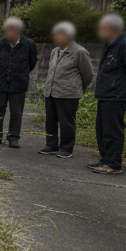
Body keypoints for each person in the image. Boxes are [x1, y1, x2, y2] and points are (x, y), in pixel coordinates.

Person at [89, 13, 126, 175]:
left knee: (113, 130)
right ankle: (105, 159)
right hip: (106, 94)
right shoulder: (110, 45)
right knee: (102, 129)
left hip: (117, 94)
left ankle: (113, 164)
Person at [38, 21, 94, 159]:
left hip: (68, 94)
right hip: (51, 91)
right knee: (50, 120)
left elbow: (88, 74)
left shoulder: (80, 52)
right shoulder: (54, 51)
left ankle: (66, 148)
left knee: (66, 122)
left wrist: (78, 88)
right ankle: (51, 145)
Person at [0, 16, 37, 148]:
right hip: (0, 83)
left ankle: (13, 138)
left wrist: (19, 74)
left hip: (19, 85)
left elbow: (32, 64)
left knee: (16, 112)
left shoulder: (29, 44)